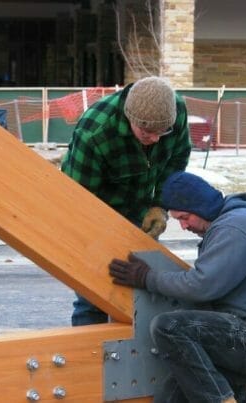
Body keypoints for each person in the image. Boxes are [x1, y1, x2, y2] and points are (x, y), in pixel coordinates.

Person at [108, 171, 246, 403]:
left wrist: (147, 277)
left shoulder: (237, 227)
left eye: (185, 217)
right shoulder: (227, 224)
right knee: (170, 398)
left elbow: (201, 286)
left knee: (169, 326)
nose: (184, 226)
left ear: (201, 206)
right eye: (178, 219)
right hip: (240, 336)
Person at [62, 76, 192, 326]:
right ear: (130, 117)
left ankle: (128, 357)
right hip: (96, 212)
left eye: (162, 132)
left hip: (140, 209)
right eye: (147, 132)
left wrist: (159, 205)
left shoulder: (175, 111)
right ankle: (92, 357)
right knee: (94, 294)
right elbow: (77, 198)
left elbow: (177, 159)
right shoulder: (95, 132)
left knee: (140, 291)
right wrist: (99, 242)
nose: (155, 139)